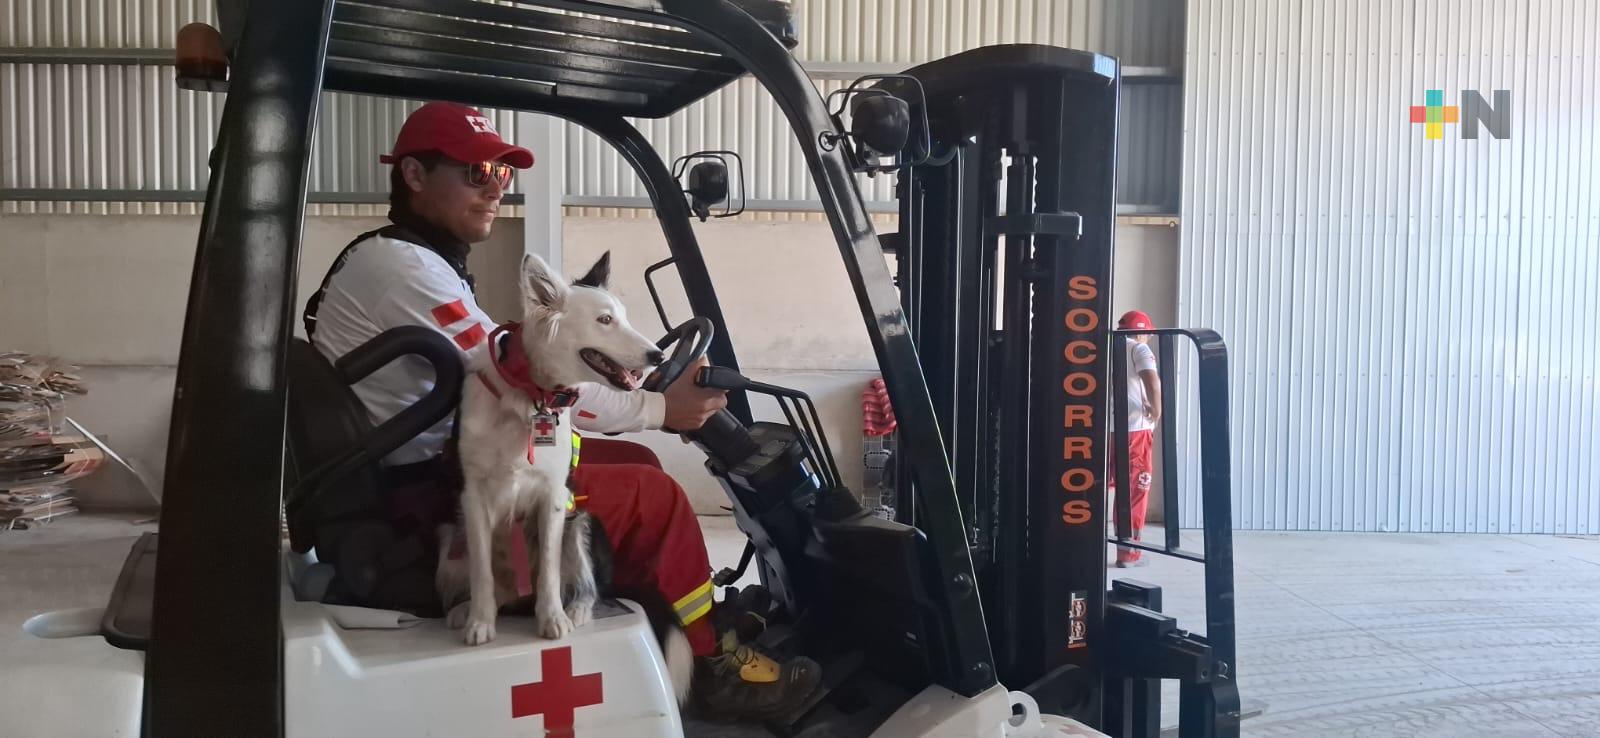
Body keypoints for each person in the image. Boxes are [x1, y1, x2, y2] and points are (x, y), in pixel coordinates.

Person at [304, 101, 818, 719]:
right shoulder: (402, 268)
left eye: (501, 174)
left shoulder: (415, 260)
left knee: (636, 461)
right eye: (476, 173)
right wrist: (659, 406)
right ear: (414, 175)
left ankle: (676, 616)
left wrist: (645, 396)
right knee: (653, 497)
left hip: (434, 465)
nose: (495, 188)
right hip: (430, 497)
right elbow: (524, 378)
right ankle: (712, 668)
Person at [1110, 310, 1162, 568]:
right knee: (1134, 492)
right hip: (1134, 429)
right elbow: (1152, 382)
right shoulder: (1139, 349)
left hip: (1106, 429)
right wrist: (1157, 411)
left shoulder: (1105, 346)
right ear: (1143, 331)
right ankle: (1128, 554)